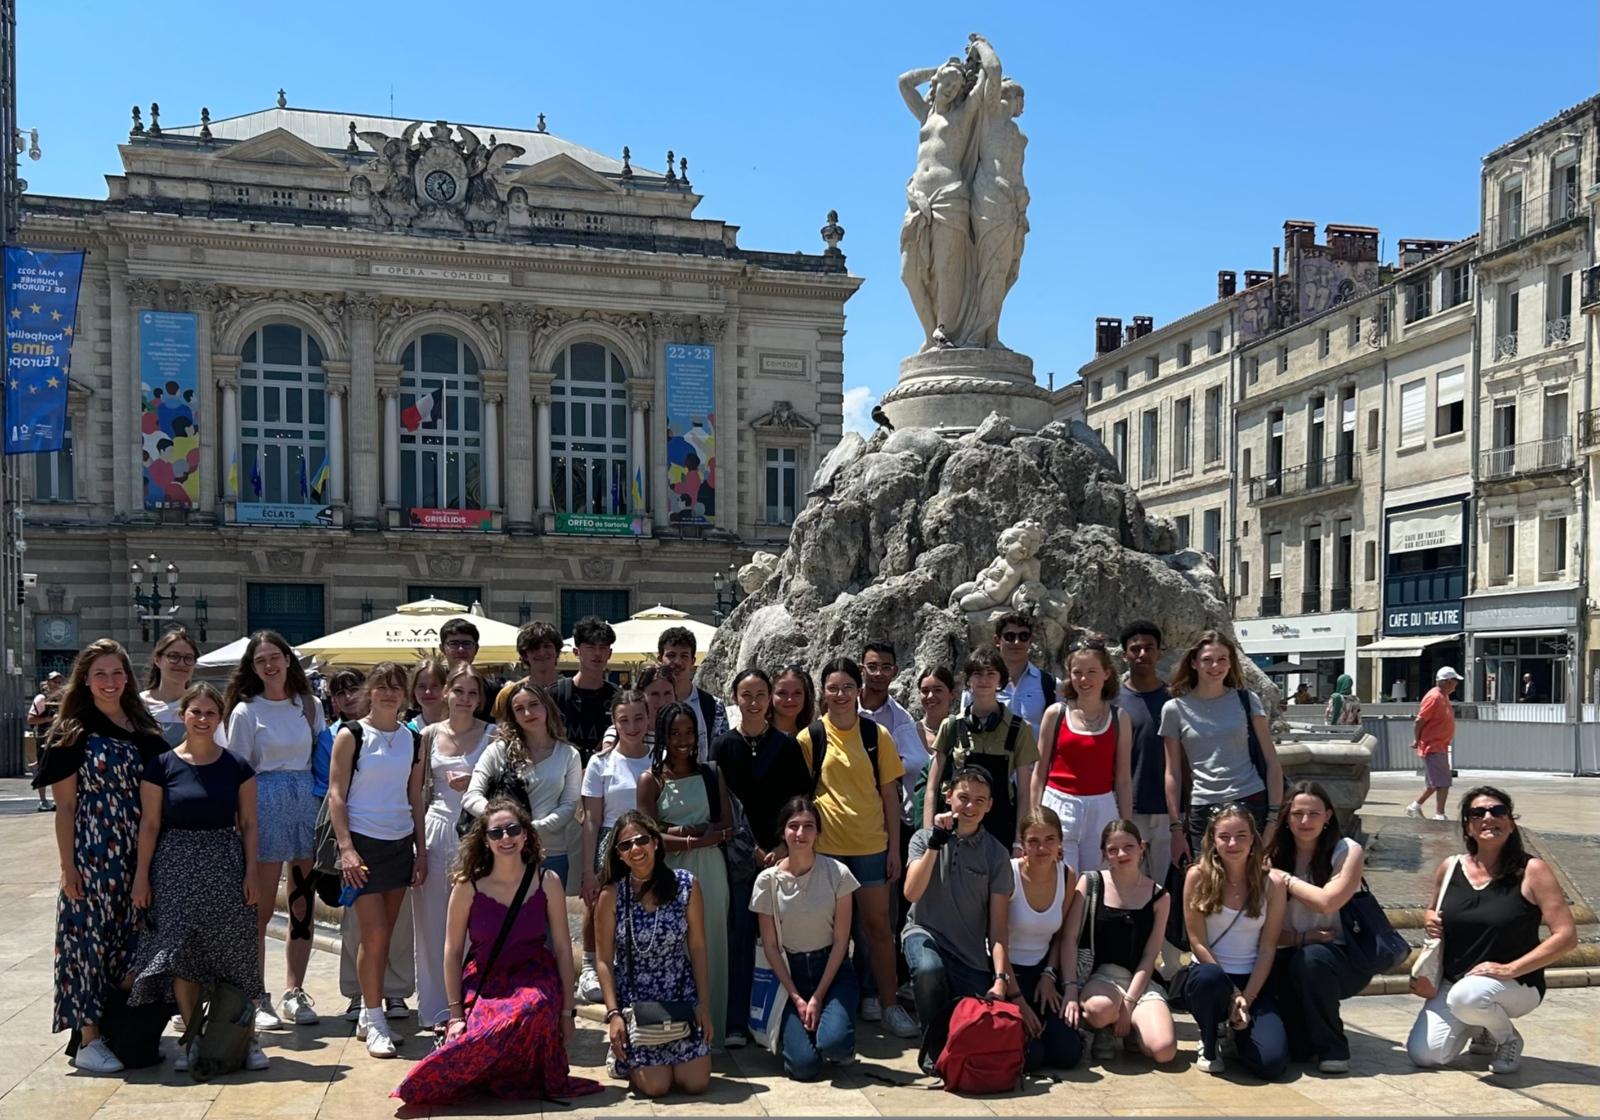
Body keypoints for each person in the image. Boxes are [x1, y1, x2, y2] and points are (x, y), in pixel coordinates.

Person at [392, 799, 601, 1106]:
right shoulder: (467, 886)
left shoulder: (547, 881)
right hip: (485, 979)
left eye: (513, 830)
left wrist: (568, 1012)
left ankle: (518, 1078)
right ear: (485, 841)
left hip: (535, 974)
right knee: (482, 1035)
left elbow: (560, 947)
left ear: (526, 835)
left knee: (530, 1008)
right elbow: (451, 953)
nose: (506, 838)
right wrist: (455, 1015)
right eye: (496, 833)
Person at [34, 639, 167, 1073]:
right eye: (100, 675)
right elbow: (66, 807)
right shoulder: (73, 730)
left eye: (116, 673)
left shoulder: (142, 726)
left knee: (130, 941)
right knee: (87, 944)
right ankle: (89, 1037)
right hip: (92, 850)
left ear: (127, 677)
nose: (109, 682)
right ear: (86, 681)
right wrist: (67, 865)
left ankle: (124, 1028)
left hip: (138, 849)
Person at [128, 682, 268, 1072]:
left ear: (219, 717)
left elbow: (250, 823)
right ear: (183, 715)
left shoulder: (237, 766)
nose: (203, 719)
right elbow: (150, 825)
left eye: (210, 713)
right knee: (182, 955)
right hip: (175, 865)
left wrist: (252, 872)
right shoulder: (161, 766)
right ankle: (191, 1039)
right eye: (196, 712)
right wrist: (142, 876)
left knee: (235, 954)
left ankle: (245, 1037)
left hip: (224, 862)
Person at [1407, 786, 1577, 1075]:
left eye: (1498, 811)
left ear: (1510, 824)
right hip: (1455, 980)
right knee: (1425, 1056)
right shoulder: (1450, 867)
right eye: (1478, 813)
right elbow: (1433, 909)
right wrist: (1429, 919)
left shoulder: (1532, 870)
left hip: (1516, 984)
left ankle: (1507, 1038)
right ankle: (1483, 1025)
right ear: (1467, 827)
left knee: (1469, 997)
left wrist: (1511, 969)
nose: (1488, 817)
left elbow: (1566, 936)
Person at [796, 658, 917, 1038]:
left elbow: (890, 795)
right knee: (827, 931)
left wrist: (895, 848)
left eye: (848, 687)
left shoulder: (875, 734)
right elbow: (803, 795)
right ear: (824, 692)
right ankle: (829, 1005)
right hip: (828, 848)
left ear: (857, 690)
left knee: (879, 928)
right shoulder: (810, 738)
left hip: (870, 846)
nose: (841, 694)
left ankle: (888, 1003)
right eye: (833, 688)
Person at [224, 630, 326, 1031]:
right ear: (253, 667)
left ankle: (294, 991)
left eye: (275, 657)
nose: (269, 665)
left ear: (288, 659)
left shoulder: (310, 706)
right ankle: (256, 993)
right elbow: (238, 768)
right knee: (260, 908)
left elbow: (322, 754)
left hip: (304, 802)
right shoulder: (246, 711)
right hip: (263, 803)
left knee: (302, 903)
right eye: (260, 659)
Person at [326, 661, 428, 1058]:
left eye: (396, 687)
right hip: (363, 845)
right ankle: (375, 1017)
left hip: (399, 844)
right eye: (382, 686)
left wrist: (420, 849)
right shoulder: (351, 735)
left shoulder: (413, 740)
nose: (389, 693)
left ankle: (373, 1011)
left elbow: (415, 796)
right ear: (371, 690)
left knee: (387, 935)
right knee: (374, 933)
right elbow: (336, 795)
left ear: (405, 694)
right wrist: (346, 848)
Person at [711, 669, 810, 1046]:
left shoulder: (786, 747)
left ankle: (782, 1016)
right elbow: (720, 804)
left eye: (760, 694)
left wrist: (784, 847)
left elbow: (800, 800)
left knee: (782, 940)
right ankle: (736, 1020)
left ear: (770, 699)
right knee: (738, 937)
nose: (753, 702)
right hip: (736, 858)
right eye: (745, 695)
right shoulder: (722, 747)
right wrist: (748, 848)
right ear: (735, 698)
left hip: (781, 855)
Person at [901, 766, 1014, 1075]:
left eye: (980, 800)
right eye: (963, 797)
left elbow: (999, 927)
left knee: (975, 1022)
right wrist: (936, 843)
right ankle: (932, 1048)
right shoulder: (924, 838)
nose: (970, 807)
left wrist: (1001, 979)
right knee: (928, 969)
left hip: (970, 954)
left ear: (990, 805)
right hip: (924, 934)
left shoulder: (997, 855)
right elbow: (911, 893)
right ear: (948, 796)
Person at [595, 811, 714, 1098]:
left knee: (696, 1083)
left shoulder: (685, 885)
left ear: (656, 843)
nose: (636, 849)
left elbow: (697, 947)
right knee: (657, 1087)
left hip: (679, 996)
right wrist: (613, 1015)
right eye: (625, 846)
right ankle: (634, 1060)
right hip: (637, 1004)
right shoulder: (612, 894)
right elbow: (603, 960)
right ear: (619, 855)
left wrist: (704, 1004)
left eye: (642, 840)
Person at [638, 702, 732, 1045]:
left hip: (710, 870)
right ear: (662, 735)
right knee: (672, 949)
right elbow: (648, 836)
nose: (683, 739)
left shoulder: (711, 773)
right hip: (669, 874)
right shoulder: (652, 779)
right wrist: (694, 839)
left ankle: (712, 1033)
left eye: (689, 732)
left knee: (711, 944)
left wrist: (683, 834)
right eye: (674, 732)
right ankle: (673, 1034)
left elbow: (727, 825)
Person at [749, 796, 860, 1080]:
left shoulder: (838, 873)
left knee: (833, 1045)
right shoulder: (767, 881)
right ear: (782, 832)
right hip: (789, 975)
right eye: (793, 826)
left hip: (830, 969)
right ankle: (802, 1035)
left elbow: (841, 940)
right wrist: (798, 998)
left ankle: (834, 1037)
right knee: (804, 1068)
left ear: (818, 832)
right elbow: (771, 946)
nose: (801, 834)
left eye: (808, 826)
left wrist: (818, 996)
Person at [1267, 781, 1368, 1074]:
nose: (1305, 821)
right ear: (1286, 817)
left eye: (1313, 814)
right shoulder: (1272, 854)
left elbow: (1327, 903)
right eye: (1297, 814)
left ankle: (1334, 1047)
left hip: (1339, 959)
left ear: (1328, 817)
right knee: (1296, 1052)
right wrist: (1302, 937)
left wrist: (1284, 879)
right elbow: (1260, 929)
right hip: (1286, 954)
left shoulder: (1346, 850)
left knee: (1312, 959)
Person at [413, 665, 493, 1031]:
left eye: (472, 693)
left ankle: (474, 1001)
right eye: (458, 691)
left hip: (478, 834)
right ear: (446, 693)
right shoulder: (427, 734)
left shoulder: (493, 736)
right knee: (431, 922)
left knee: (476, 922)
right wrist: (419, 847)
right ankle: (436, 1008)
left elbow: (503, 787)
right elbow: (415, 793)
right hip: (437, 827)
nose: (465, 699)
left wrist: (476, 784)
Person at [1182, 804, 1289, 1079]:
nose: (1233, 843)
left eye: (1241, 835)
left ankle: (1236, 1032)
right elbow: (1197, 942)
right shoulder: (1197, 877)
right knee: (1208, 978)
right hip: (1211, 976)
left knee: (1271, 1063)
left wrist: (1246, 997)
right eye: (1225, 836)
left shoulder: (1272, 883)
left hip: (1253, 980)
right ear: (1212, 840)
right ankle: (1209, 1039)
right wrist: (1232, 993)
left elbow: (1267, 948)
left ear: (1253, 838)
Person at [1161, 629, 1282, 865]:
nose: (1214, 666)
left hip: (1250, 798)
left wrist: (1273, 819)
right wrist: (1175, 827)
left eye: (1222, 659)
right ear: (1194, 663)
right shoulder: (1174, 709)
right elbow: (1172, 772)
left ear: (1230, 664)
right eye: (1207, 660)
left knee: (1253, 882)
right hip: (1203, 804)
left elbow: (1272, 761)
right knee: (1204, 882)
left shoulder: (1247, 700)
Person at [1060, 819, 1176, 1065]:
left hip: (1140, 981)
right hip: (1101, 978)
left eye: (1128, 847)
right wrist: (1070, 986)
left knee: (1163, 1051)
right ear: (1104, 853)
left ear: (1141, 847)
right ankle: (1105, 1028)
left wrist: (1129, 1003)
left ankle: (1132, 1027)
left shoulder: (1160, 896)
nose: (1121, 854)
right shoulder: (1091, 883)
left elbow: (1149, 956)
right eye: (1113, 849)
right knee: (1100, 1009)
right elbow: (1069, 938)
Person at [578, 689, 656, 1003]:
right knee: (599, 905)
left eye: (639, 717)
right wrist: (587, 869)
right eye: (625, 719)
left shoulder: (659, 759)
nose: (633, 725)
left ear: (648, 718)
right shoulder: (600, 763)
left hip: (650, 841)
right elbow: (591, 820)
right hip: (611, 840)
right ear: (614, 722)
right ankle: (589, 967)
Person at [465, 682, 581, 886]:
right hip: (504, 852)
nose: (528, 712)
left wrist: (532, 828)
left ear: (547, 706)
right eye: (519, 709)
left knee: (548, 917)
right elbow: (471, 797)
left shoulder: (568, 754)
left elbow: (569, 806)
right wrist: (505, 825)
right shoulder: (499, 750)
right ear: (513, 716)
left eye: (534, 704)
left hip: (550, 852)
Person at [925, 649, 1039, 854]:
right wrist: (928, 834)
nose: (984, 680)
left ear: (1001, 680)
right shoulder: (951, 726)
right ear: (968, 680)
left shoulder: (1020, 729)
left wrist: (1018, 842)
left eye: (991, 674)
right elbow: (932, 787)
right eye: (977, 673)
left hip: (1001, 828)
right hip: (956, 827)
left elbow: (1024, 793)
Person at [1034, 638, 1132, 874]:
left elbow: (1123, 779)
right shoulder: (1055, 714)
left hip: (1102, 807)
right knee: (1060, 880)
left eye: (1091, 672)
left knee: (1097, 883)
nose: (1084, 679)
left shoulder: (1120, 718)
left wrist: (1126, 828)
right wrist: (1035, 817)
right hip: (1059, 803)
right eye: (1077, 673)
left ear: (1106, 673)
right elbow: (1039, 772)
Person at [1003, 808, 1083, 1071]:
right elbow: (996, 939)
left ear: (1060, 842)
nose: (1042, 848)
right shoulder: (1008, 873)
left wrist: (1050, 973)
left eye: (1049, 839)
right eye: (1033, 842)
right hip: (1007, 974)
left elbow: (1061, 934)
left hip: (1042, 973)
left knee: (1067, 1054)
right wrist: (1016, 998)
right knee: (1031, 1058)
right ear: (1023, 845)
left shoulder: (1067, 874)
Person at [1118, 622, 1174, 885]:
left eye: (1149, 648)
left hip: (1166, 810)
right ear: (1124, 654)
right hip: (1128, 807)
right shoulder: (1112, 700)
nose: (1142, 654)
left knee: (1161, 888)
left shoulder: (1174, 699)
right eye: (1135, 649)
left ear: (1159, 652)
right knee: (1128, 883)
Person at [553, 616, 619, 762]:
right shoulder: (554, 695)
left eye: (603, 647)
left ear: (609, 653)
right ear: (576, 652)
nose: (597, 653)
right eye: (590, 647)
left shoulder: (619, 698)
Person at [658, 624, 728, 759]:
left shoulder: (713, 706)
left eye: (684, 656)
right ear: (660, 659)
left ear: (693, 661)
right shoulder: (648, 702)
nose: (677, 662)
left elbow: (720, 753)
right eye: (671, 655)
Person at [987, 610, 1056, 736]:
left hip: (1034, 755)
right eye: (1010, 636)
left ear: (1031, 640)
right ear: (997, 640)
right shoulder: (979, 682)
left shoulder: (1051, 685)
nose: (1017, 642)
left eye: (1023, 636)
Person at [1407, 667, 1460, 823]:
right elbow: (1420, 720)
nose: (1456, 685)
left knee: (1434, 783)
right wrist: (1417, 740)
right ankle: (1439, 814)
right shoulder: (1435, 697)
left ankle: (1415, 806)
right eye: (1455, 681)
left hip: (1438, 745)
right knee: (1443, 782)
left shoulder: (1442, 696)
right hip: (1433, 745)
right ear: (1448, 681)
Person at [140, 628, 205, 749]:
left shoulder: (202, 705)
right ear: (157, 660)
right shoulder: (138, 704)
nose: (181, 663)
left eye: (188, 658)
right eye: (174, 656)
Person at [911, 665, 956, 827]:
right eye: (924, 691)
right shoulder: (904, 734)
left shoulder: (962, 732)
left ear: (952, 694)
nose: (930, 696)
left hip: (952, 824)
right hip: (909, 824)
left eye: (938, 690)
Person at [493, 621, 563, 722]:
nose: (542, 652)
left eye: (547, 646)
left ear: (557, 651)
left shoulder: (574, 691)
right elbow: (502, 731)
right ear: (525, 655)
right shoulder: (508, 694)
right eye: (535, 648)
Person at [27, 671, 64, 812]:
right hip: (44, 738)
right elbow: (31, 719)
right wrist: (49, 719)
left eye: (59, 682)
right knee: (43, 768)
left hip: (59, 738)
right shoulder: (41, 699)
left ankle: (58, 799)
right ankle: (43, 801)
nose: (57, 684)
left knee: (59, 769)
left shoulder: (62, 698)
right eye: (54, 681)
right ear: (48, 682)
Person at [770, 663, 816, 739]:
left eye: (797, 693)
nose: (790, 699)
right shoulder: (755, 735)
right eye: (782, 693)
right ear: (770, 696)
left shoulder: (813, 738)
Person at [408, 656, 450, 730]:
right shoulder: (409, 731)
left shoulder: (458, 727)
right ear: (414, 690)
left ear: (445, 688)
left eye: (434, 686)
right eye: (422, 686)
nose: (428, 692)